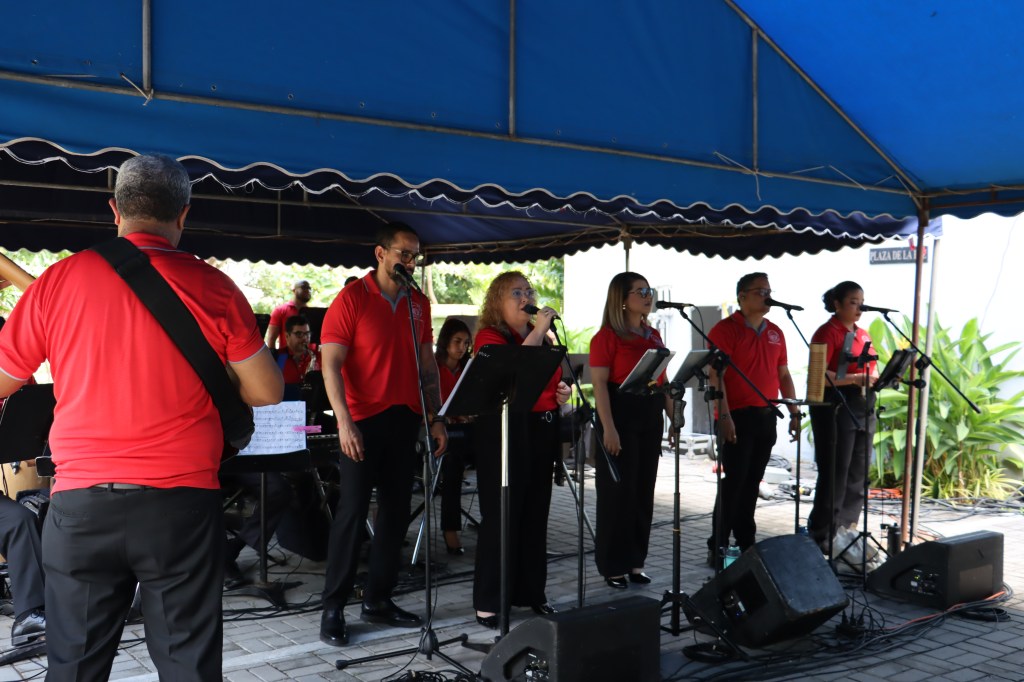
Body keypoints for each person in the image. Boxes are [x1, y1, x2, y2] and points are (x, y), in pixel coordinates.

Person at [0, 154, 283, 680]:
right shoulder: (215, 286)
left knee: (75, 668)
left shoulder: (57, 282)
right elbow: (267, 391)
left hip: (80, 506)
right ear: (184, 215)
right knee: (187, 666)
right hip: (180, 507)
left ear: (115, 210)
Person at [318, 222, 447, 647]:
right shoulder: (352, 298)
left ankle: (378, 598)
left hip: (404, 416)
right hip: (362, 419)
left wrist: (435, 417)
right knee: (352, 512)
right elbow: (331, 364)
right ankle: (333, 606)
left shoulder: (418, 303)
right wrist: (343, 421)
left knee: (394, 513)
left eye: (414, 255)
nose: (409, 261)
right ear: (380, 253)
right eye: (403, 253)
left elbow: (427, 364)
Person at [472, 272, 570, 628]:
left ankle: (530, 593)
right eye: (516, 292)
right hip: (502, 430)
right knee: (503, 514)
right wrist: (538, 329)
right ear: (497, 301)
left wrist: (562, 394)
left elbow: (550, 381)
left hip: (540, 428)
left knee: (534, 513)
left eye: (528, 291)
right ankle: (490, 600)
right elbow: (514, 369)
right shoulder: (489, 336)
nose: (526, 297)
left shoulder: (540, 338)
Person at [706, 272, 799, 567]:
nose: (767, 295)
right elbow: (715, 375)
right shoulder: (725, 330)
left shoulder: (776, 332)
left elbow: (783, 375)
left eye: (769, 290)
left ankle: (746, 541)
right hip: (737, 417)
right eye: (760, 291)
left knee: (751, 482)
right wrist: (724, 416)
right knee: (734, 481)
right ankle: (717, 544)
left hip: (766, 415)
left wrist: (795, 413)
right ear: (742, 296)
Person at [589, 272, 673, 589]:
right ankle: (613, 565)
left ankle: (636, 561)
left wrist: (672, 417)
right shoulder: (607, 337)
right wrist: (608, 428)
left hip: (649, 415)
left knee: (642, 491)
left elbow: (661, 381)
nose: (648, 296)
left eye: (649, 290)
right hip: (620, 414)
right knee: (617, 495)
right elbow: (599, 385)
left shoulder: (653, 336)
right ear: (622, 300)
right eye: (640, 291)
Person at [806, 281, 878, 551]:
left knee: (858, 472)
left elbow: (871, 370)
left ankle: (847, 530)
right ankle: (823, 533)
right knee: (836, 471)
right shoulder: (826, 333)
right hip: (835, 405)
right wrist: (855, 379)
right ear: (837, 304)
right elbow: (818, 376)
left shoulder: (863, 333)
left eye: (861, 301)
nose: (859, 307)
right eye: (853, 302)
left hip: (862, 404)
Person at [434, 317, 473, 555]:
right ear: (446, 341)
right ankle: (450, 529)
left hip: (466, 431)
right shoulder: (433, 368)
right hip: (439, 435)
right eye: (457, 341)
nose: (462, 347)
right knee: (453, 465)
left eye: (466, 343)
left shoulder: (467, 370)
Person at [276, 314, 321, 400]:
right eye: (299, 334)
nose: (305, 338)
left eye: (307, 334)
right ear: (287, 336)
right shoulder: (276, 357)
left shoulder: (318, 357)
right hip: (285, 409)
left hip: (313, 409)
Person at [265, 279, 313, 350]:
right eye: (303, 287)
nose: (307, 290)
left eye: (309, 288)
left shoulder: (313, 312)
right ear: (294, 290)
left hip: (309, 358)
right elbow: (271, 339)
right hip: (286, 358)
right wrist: (274, 358)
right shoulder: (280, 310)